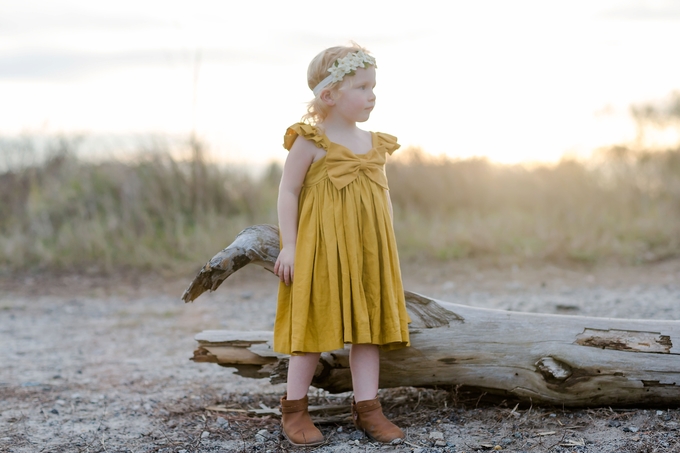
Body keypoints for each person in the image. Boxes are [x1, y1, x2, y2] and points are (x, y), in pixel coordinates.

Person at [273, 43, 410, 447]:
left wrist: (386, 242)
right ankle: (294, 409)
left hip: (368, 249)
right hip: (321, 248)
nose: (372, 95)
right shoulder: (311, 140)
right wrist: (290, 245)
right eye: (362, 87)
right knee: (313, 325)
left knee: (367, 329)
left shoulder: (373, 143)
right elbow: (287, 192)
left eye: (374, 86)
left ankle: (368, 408)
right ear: (329, 95)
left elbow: (381, 197)